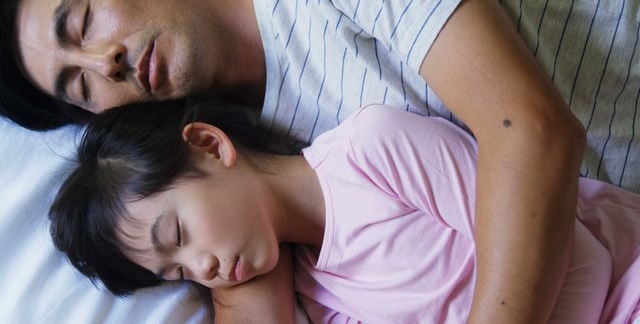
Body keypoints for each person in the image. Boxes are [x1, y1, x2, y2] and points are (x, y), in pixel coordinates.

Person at [3, 0, 638, 321]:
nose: (104, 63)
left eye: (82, 23)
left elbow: (534, 134)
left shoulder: (320, 5)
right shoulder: (232, 187)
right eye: (80, 86)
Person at [49, 100, 640, 323]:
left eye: (177, 234)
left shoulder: (373, 149)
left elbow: (577, 253)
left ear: (210, 145)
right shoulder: (314, 297)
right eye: (176, 274)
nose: (200, 268)